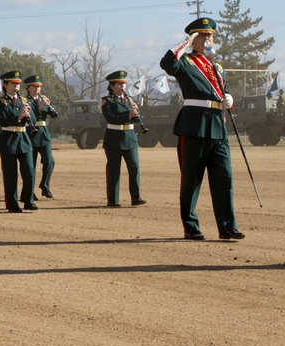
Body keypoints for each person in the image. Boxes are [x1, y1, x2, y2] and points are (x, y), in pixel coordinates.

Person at [160, 18, 243, 240]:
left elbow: (221, 93)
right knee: (191, 180)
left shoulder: (217, 66)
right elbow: (167, 64)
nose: (208, 39)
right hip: (194, 127)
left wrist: (229, 100)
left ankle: (227, 227)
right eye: (202, 35)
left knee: (224, 178)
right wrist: (184, 44)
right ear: (193, 38)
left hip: (218, 127)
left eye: (210, 35)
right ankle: (191, 226)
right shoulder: (184, 62)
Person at [100, 71, 146, 208]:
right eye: (120, 84)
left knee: (134, 167)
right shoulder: (107, 101)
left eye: (124, 84)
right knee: (114, 170)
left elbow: (136, 119)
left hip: (130, 138)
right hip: (114, 139)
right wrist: (128, 115)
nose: (123, 86)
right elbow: (110, 118)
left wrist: (137, 114)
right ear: (112, 86)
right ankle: (113, 200)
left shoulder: (129, 100)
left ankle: (136, 197)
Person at [0, 70, 37, 213]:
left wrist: (29, 113)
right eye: (13, 83)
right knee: (11, 175)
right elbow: (3, 121)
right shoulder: (0, 102)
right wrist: (18, 117)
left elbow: (35, 121)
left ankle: (28, 201)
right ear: (5, 85)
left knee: (29, 172)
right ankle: (12, 205)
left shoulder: (24, 100)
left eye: (18, 84)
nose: (16, 86)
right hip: (8, 140)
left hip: (24, 139)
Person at [24, 74, 59, 198]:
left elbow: (54, 115)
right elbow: (31, 115)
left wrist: (48, 105)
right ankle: (31, 191)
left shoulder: (43, 99)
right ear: (28, 87)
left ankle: (45, 185)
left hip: (43, 134)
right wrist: (40, 107)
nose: (37, 89)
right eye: (34, 86)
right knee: (31, 166)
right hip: (31, 134)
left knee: (49, 161)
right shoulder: (25, 100)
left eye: (39, 87)